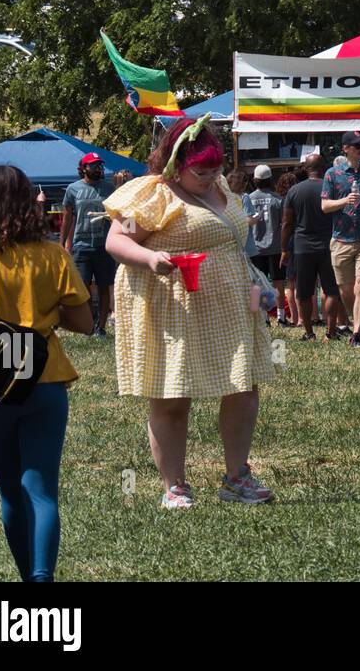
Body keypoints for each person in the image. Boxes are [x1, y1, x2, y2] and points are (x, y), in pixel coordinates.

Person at [104, 115, 277, 507]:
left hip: (231, 301)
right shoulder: (150, 194)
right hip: (173, 306)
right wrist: (149, 258)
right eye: (200, 171)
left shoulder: (217, 187)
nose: (210, 177)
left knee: (243, 386)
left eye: (215, 170)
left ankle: (237, 478)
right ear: (174, 165)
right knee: (172, 393)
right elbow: (116, 241)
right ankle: (175, 487)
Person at [0, 165, 94, 580]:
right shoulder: (54, 256)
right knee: (42, 489)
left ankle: (27, 578)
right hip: (44, 382)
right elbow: (84, 322)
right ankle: (43, 579)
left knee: (9, 489)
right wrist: (42, 314)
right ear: (30, 203)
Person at [320, 133, 360, 346]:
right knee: (346, 290)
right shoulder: (333, 174)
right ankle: (358, 317)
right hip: (341, 239)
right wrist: (344, 201)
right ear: (346, 148)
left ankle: (357, 334)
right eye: (357, 145)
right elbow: (325, 206)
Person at [281, 153, 343, 342]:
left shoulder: (294, 191)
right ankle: (331, 332)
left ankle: (309, 333)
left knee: (304, 292)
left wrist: (284, 249)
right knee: (331, 290)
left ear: (306, 169)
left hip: (302, 247)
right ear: (323, 168)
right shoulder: (331, 188)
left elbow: (287, 223)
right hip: (329, 244)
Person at [60, 152, 116, 336]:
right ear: (84, 168)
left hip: (104, 245)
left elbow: (119, 214)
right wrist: (62, 244)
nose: (98, 168)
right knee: (83, 287)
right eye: (94, 165)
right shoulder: (73, 189)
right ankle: (89, 324)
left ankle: (101, 328)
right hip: (81, 245)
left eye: (100, 165)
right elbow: (67, 218)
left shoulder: (109, 188)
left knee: (104, 285)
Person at [247, 164, 287, 326]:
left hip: (255, 248)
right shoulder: (278, 199)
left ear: (255, 180)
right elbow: (283, 224)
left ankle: (262, 317)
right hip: (275, 246)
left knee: (257, 283)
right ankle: (281, 316)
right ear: (270, 180)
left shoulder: (248, 198)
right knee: (278, 281)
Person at [273, 171, 298, 327]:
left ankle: (266, 317)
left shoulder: (279, 199)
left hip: (267, 247)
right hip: (291, 243)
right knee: (283, 283)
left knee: (289, 283)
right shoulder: (285, 202)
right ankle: (285, 316)